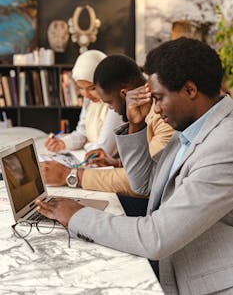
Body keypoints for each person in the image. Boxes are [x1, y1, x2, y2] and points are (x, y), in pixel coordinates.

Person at [36, 37, 233, 295]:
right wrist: (136, 126)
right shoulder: (192, 127)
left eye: (159, 98)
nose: (156, 109)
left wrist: (76, 215)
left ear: (190, 90)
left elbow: (156, 237)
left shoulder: (224, 145)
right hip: (177, 268)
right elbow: (146, 184)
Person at [41, 55, 174, 197]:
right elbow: (146, 168)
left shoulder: (163, 117)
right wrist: (117, 163)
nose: (110, 109)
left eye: (110, 103)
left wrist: (71, 175)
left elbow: (144, 183)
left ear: (124, 94)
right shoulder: (142, 111)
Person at [45, 50, 122, 155]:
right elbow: (82, 134)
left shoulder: (117, 104)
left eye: (92, 88)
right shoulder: (89, 101)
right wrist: (62, 142)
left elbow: (104, 150)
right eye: (80, 88)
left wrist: (86, 145)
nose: (86, 95)